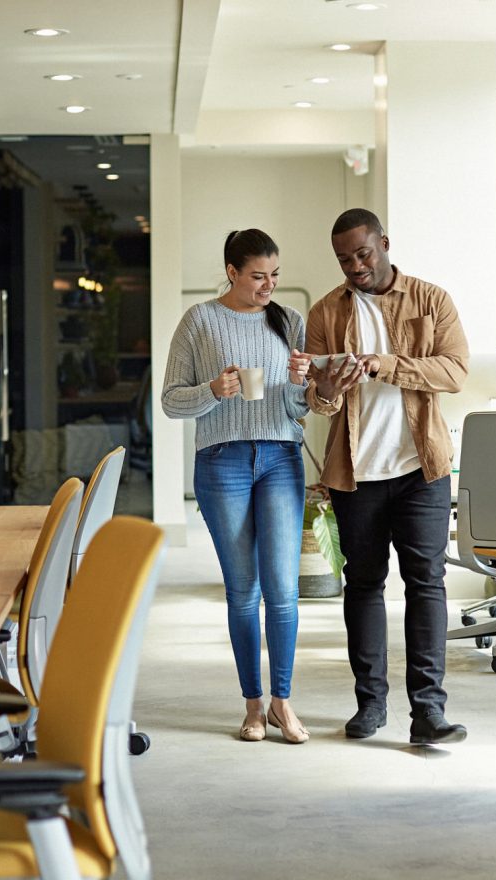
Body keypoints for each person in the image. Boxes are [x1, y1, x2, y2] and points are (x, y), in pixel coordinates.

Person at [302, 208, 470, 745]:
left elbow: (455, 371)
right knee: (364, 585)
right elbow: (319, 405)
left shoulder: (431, 300)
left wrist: (383, 364)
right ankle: (370, 705)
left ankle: (429, 713)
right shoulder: (327, 311)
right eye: (345, 259)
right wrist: (329, 385)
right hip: (357, 472)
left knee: (426, 583)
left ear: (384, 243)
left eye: (363, 253)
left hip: (421, 467)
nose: (355, 266)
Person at [162, 229, 313, 744]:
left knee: (284, 591)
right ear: (231, 271)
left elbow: (299, 411)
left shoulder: (289, 321)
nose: (269, 285)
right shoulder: (200, 321)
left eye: (275, 275)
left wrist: (298, 385)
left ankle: (282, 704)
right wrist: (213, 389)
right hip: (222, 461)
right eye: (257, 276)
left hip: (280, 457)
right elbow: (170, 401)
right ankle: (252, 706)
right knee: (243, 590)